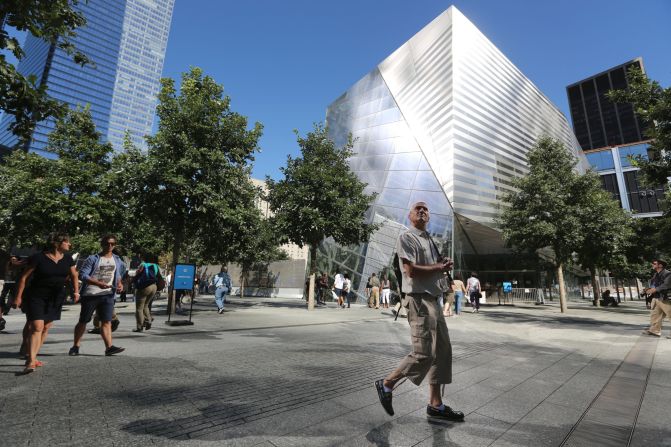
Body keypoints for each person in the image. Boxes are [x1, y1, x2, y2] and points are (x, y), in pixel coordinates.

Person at [375, 202, 464, 421]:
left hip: (434, 298)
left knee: (442, 352)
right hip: (418, 300)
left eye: (426, 209)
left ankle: (436, 405)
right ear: (410, 216)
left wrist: (443, 264)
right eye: (418, 208)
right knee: (424, 353)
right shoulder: (407, 237)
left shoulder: (429, 239)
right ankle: (387, 384)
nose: (423, 210)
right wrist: (438, 267)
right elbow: (411, 270)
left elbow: (434, 267)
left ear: (429, 216)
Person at [13, 233, 79, 373]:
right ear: (57, 243)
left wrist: (76, 292)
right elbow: (24, 278)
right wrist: (18, 297)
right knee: (37, 326)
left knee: (46, 326)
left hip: (56, 297)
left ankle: (33, 355)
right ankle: (30, 362)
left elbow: (74, 274)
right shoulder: (39, 257)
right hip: (36, 296)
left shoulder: (67, 258)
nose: (69, 245)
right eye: (67, 242)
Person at [69, 234, 126, 356]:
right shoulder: (93, 258)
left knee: (107, 322)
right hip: (91, 294)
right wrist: (98, 283)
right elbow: (83, 275)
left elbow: (119, 274)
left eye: (112, 244)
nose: (110, 246)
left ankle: (109, 347)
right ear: (102, 244)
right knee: (83, 321)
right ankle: (75, 346)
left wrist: (120, 284)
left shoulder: (117, 260)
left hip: (108, 295)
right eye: (107, 243)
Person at [642, 259, 671, 337]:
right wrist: (648, 289)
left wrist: (654, 289)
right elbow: (654, 285)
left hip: (665, 298)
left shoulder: (668, 274)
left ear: (660, 265)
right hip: (657, 298)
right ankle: (655, 330)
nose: (652, 265)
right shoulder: (656, 275)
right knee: (655, 315)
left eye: (654, 263)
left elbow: (666, 285)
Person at [133, 253, 161, 332]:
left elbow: (137, 274)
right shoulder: (156, 266)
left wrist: (133, 281)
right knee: (146, 306)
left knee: (139, 308)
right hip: (153, 287)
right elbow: (158, 276)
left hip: (144, 287)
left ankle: (139, 327)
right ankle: (148, 320)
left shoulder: (143, 264)